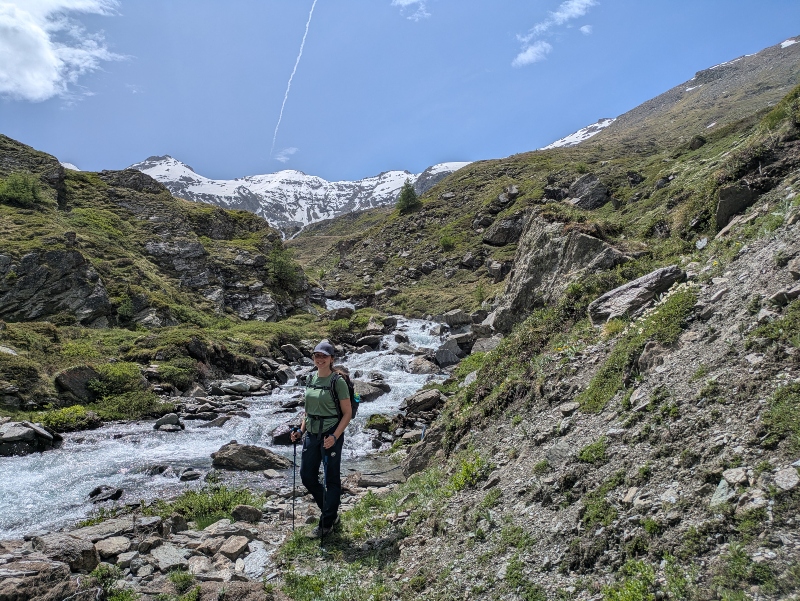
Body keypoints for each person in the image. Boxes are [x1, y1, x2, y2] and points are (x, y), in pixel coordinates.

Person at [290, 340, 352, 537]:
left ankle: (326, 523)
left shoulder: (337, 382)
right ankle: (330, 511)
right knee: (307, 475)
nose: (320, 359)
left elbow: (347, 413)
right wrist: (300, 431)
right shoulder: (310, 378)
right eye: (317, 355)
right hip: (311, 433)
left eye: (324, 356)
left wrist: (334, 436)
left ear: (332, 359)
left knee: (331, 478)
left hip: (330, 433)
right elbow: (308, 411)